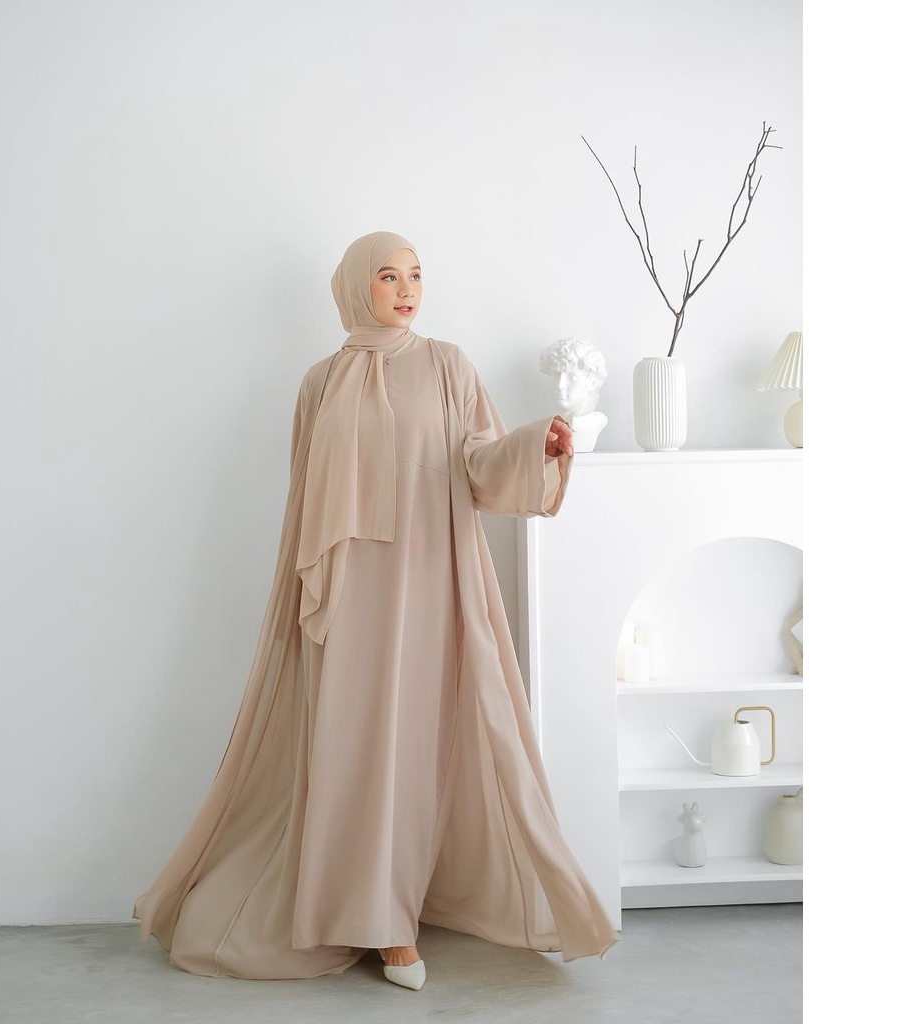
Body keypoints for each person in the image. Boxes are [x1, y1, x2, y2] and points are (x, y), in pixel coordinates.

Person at [132, 231, 618, 991]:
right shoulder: (320, 382)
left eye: (415, 275)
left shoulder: (449, 365)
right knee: (354, 745)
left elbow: (480, 464)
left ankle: (398, 917)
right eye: (388, 276)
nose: (406, 289)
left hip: (431, 578)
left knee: (417, 744)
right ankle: (365, 916)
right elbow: (304, 497)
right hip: (347, 592)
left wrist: (535, 446)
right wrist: (307, 591)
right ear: (357, 287)